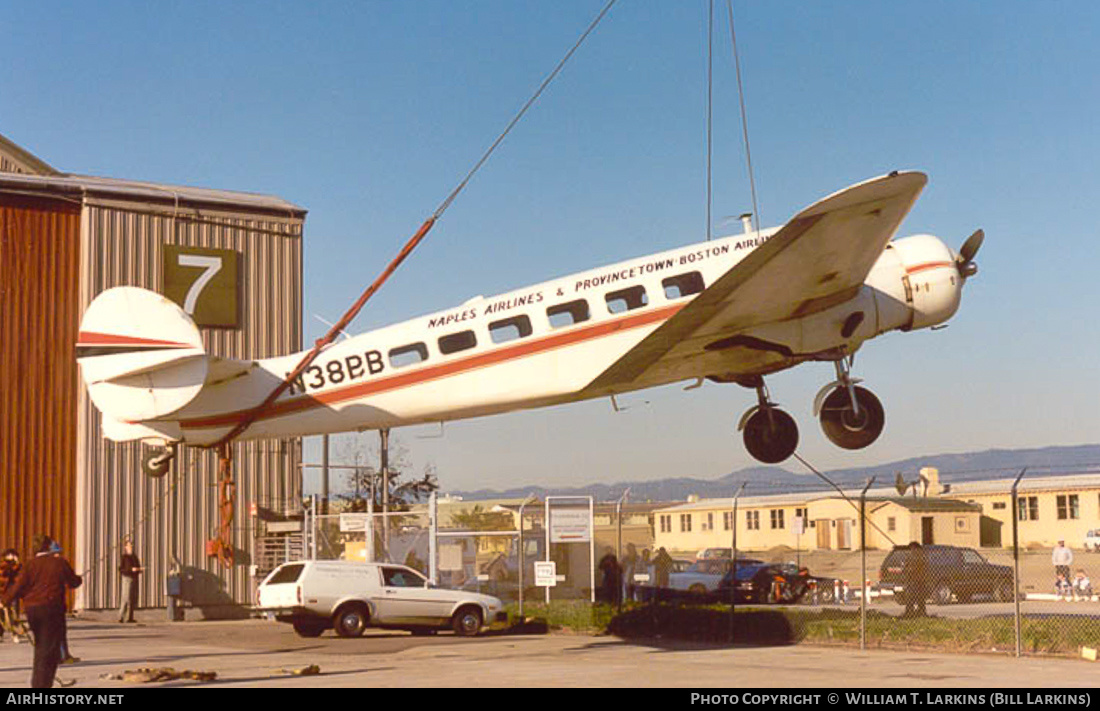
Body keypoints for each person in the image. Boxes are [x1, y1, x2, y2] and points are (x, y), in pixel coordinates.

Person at [1, 534, 82, 689]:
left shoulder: (30, 565)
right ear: (48, 547)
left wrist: (4, 601)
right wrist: (79, 579)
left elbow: (18, 587)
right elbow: (73, 582)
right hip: (52, 610)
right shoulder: (59, 563)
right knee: (49, 651)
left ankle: (38, 684)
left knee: (41, 647)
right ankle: (42, 686)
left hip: (33, 612)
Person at [0, 549, 28, 643]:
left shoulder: (17, 566)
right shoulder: (3, 565)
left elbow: (20, 576)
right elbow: (3, 572)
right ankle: (1, 634)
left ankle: (15, 634)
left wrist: (16, 563)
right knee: (1, 615)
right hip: (2, 593)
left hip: (12, 593)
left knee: (14, 614)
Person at [118, 538, 142, 624]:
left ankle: (130, 617)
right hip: (127, 578)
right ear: (125, 547)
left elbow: (138, 566)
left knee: (132, 598)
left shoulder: (134, 557)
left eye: (131, 544)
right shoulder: (124, 557)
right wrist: (131, 569)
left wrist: (139, 570)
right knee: (126, 597)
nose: (131, 546)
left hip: (134, 578)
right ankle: (121, 617)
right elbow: (121, 569)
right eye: (129, 545)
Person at [901, 542, 927, 618]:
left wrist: (909, 570)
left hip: (918, 581)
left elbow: (920, 568)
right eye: (911, 549)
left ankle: (919, 612)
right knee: (911, 598)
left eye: (913, 548)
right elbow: (906, 568)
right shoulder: (910, 557)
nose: (912, 550)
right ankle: (910, 612)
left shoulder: (919, 557)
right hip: (912, 581)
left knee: (919, 598)